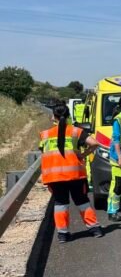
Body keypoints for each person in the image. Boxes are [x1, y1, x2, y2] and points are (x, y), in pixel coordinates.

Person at [39, 101, 103, 243]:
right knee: (82, 201)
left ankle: (63, 234)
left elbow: (43, 152)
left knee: (60, 204)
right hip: (75, 175)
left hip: (54, 177)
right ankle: (94, 229)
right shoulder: (76, 131)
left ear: (53, 117)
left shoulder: (44, 135)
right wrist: (83, 155)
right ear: (68, 116)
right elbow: (95, 144)